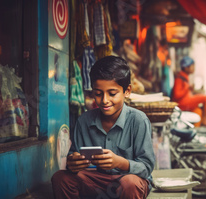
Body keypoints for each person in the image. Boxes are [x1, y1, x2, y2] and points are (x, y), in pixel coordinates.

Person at [51, 56, 155, 198]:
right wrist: (73, 162)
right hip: (94, 181)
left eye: (112, 94)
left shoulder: (138, 120)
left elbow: (147, 168)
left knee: (130, 183)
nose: (105, 100)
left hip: (127, 181)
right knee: (61, 178)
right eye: (98, 94)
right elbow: (73, 160)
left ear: (127, 91)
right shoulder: (84, 121)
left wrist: (120, 162)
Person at [171, 56, 206, 127]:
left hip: (186, 101)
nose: (194, 68)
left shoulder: (185, 77)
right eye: (192, 66)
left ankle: (196, 129)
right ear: (186, 67)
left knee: (198, 111)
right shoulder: (179, 78)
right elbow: (176, 95)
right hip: (182, 103)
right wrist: (188, 88)